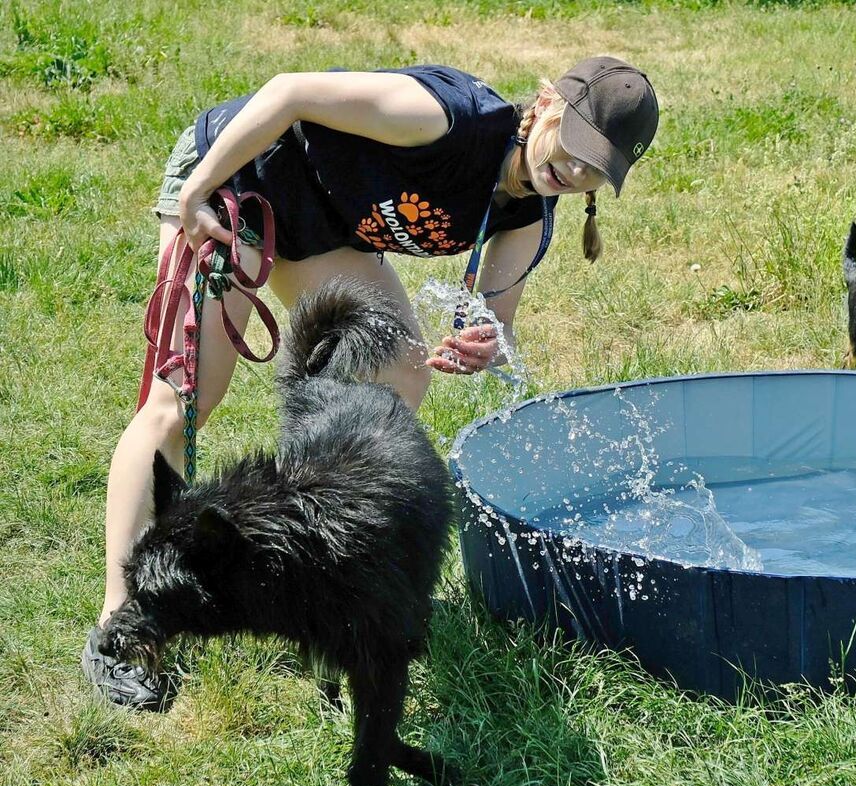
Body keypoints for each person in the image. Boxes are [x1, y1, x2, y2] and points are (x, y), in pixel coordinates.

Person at [82, 56, 660, 709]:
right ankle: (120, 627)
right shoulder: (446, 119)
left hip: (321, 223)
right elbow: (289, 92)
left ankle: (306, 567)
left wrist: (482, 346)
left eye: (596, 169)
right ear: (547, 104)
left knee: (400, 370)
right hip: (237, 179)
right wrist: (195, 190)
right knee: (184, 398)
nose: (573, 171)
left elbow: (495, 327)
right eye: (575, 147)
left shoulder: (525, 221)